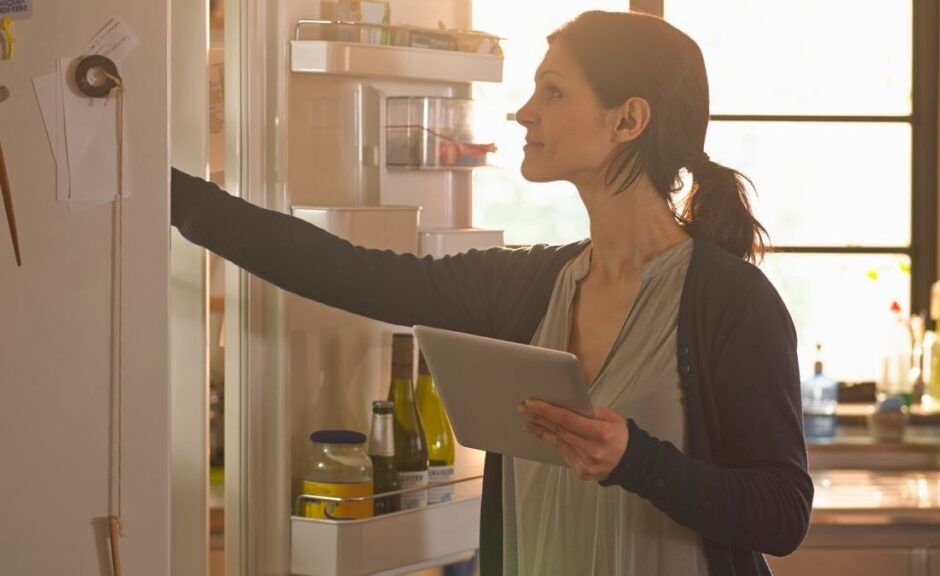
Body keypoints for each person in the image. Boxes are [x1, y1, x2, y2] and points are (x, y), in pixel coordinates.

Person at [172, 10, 812, 576]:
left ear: (629, 120)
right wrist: (170, 192)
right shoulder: (530, 284)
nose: (524, 111)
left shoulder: (731, 301)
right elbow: (346, 270)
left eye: (553, 92)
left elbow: (782, 515)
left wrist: (637, 460)